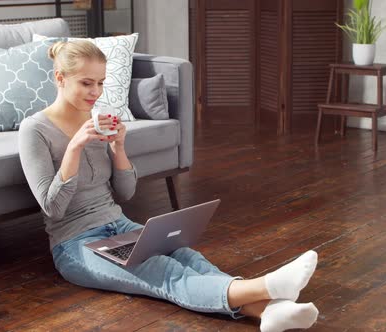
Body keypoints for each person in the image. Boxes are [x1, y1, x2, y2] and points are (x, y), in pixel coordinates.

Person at [18, 40, 320, 332]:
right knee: (161, 272)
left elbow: (125, 193)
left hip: (118, 225)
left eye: (100, 82)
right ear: (60, 77)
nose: (96, 92)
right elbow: (53, 208)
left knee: (186, 256)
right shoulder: (35, 129)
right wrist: (74, 148)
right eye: (87, 83)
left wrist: (119, 148)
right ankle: (268, 286)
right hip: (75, 244)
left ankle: (269, 312)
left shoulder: (95, 119)